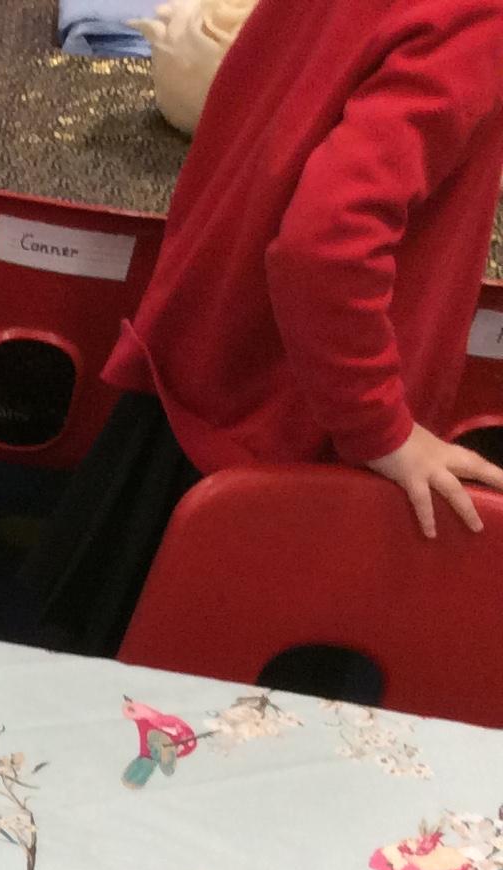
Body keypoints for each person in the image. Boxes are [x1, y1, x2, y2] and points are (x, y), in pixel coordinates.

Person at [33, 0, 503, 656]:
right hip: (286, 449)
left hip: (199, 392)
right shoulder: (479, 20)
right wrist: (380, 426)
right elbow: (325, 244)